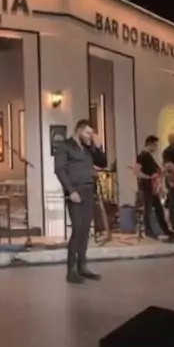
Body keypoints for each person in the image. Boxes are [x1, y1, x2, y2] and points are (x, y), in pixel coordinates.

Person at [54, 119, 106, 284]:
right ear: (79, 130)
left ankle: (83, 267)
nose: (90, 136)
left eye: (91, 133)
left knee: (85, 230)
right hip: (75, 191)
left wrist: (96, 145)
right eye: (87, 133)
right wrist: (70, 191)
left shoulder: (89, 148)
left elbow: (102, 163)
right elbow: (59, 170)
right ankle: (71, 271)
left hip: (89, 190)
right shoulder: (65, 146)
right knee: (77, 229)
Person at [134, 135, 174, 241]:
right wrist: (148, 177)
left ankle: (165, 230)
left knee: (158, 208)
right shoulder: (142, 156)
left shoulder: (149, 156)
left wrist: (164, 171)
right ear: (151, 144)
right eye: (155, 145)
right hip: (146, 186)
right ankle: (148, 230)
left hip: (153, 186)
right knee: (148, 209)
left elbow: (156, 170)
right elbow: (136, 171)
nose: (156, 147)